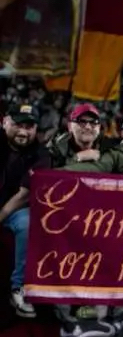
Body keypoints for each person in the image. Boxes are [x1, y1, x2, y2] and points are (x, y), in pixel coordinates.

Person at [0, 103, 50, 317]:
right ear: (4, 122)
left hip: (14, 210)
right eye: (18, 124)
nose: (23, 131)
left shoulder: (41, 154)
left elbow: (24, 195)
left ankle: (17, 287)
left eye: (29, 126)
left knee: (27, 222)